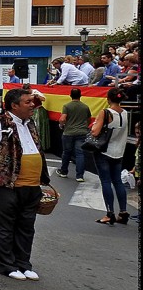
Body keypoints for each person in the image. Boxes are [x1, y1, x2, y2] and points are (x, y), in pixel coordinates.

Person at [0, 88, 50, 281]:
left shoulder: (29, 122)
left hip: (31, 186)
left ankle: (24, 264)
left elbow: (39, 97)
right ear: (14, 106)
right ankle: (7, 265)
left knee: (26, 227)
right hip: (5, 185)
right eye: (27, 102)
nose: (32, 104)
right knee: (4, 228)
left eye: (32, 101)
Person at [92, 88, 131, 226]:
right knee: (118, 182)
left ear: (108, 99)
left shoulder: (106, 112)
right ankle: (123, 211)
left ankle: (110, 213)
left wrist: (95, 124)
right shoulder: (125, 113)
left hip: (104, 151)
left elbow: (95, 132)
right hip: (119, 151)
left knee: (106, 182)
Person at [56, 88, 91, 183]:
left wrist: (61, 125)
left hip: (69, 132)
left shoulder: (67, 106)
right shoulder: (85, 107)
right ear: (80, 95)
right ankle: (79, 175)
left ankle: (63, 172)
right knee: (80, 154)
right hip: (82, 132)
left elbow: (62, 119)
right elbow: (88, 119)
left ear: (70, 95)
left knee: (66, 152)